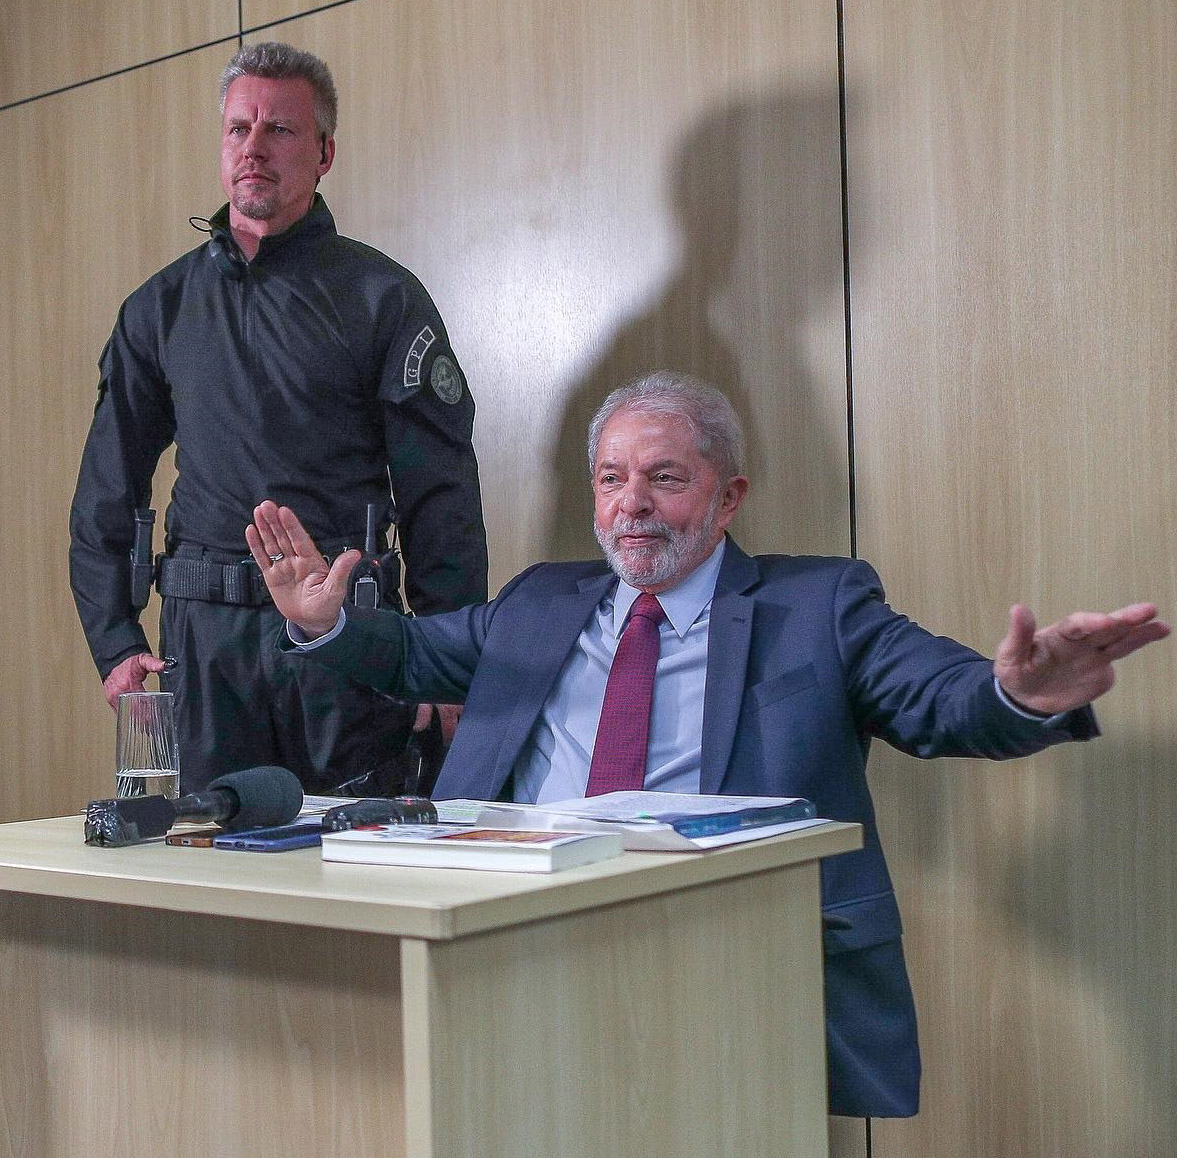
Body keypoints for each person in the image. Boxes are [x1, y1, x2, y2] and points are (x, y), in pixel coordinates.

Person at [245, 370, 1167, 1118]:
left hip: (724, 950)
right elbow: (411, 654)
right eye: (611, 479)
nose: (632, 505)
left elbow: (937, 698)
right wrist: (325, 623)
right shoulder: (539, 601)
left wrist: (1015, 694)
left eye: (664, 478)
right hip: (515, 933)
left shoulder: (818, 605)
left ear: (728, 498)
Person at [68, 41, 487, 795]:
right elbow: (108, 487)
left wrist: (445, 661)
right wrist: (114, 641)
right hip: (203, 647)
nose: (253, 148)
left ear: (324, 153)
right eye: (239, 128)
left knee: (357, 852)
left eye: (279, 130)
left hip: (346, 633)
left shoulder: (383, 298)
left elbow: (441, 498)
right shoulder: (159, 309)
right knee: (212, 852)